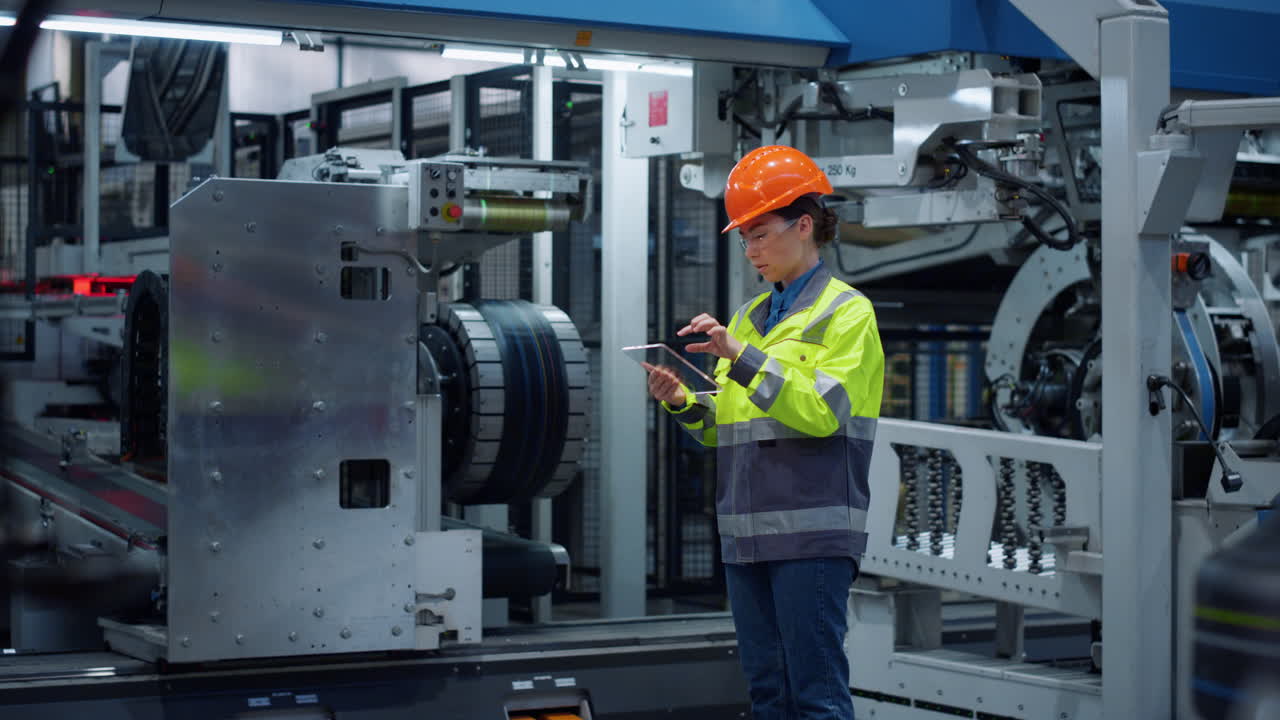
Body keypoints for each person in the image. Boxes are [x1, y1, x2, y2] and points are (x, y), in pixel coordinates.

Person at [646, 145, 884, 719]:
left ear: (804, 226)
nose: (751, 251)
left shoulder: (847, 314)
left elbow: (822, 412)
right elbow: (730, 429)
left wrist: (741, 355)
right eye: (744, 238)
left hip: (812, 540)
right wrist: (682, 403)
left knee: (817, 698)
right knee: (768, 697)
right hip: (746, 539)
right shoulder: (751, 318)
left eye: (759, 234)